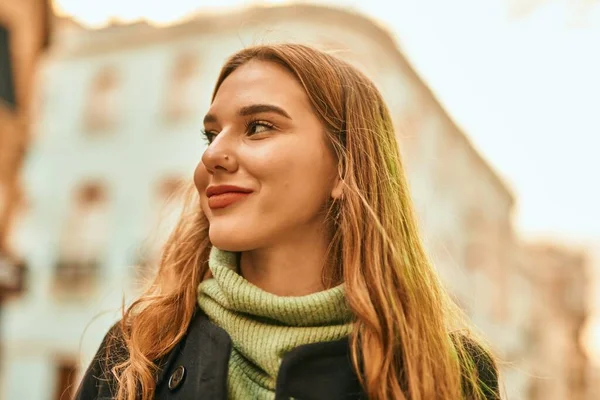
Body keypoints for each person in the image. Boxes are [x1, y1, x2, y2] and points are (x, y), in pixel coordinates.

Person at [74, 44, 500, 400]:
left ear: (345, 167)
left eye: (258, 127)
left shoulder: (452, 372)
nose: (211, 156)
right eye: (210, 134)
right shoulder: (135, 352)